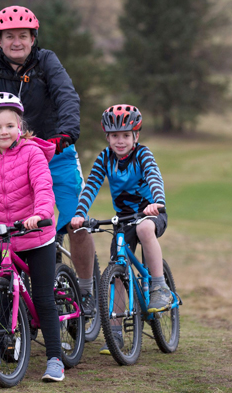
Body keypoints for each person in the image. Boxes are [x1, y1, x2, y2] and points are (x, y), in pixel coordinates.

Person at [0, 5, 96, 312]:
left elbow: (66, 95)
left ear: (33, 38)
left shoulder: (47, 62)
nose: (16, 42)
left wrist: (65, 132)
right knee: (12, 228)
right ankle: (15, 299)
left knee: (76, 223)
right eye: (9, 36)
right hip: (10, 160)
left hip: (56, 152)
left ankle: (86, 289)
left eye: (23, 36)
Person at [0, 92, 65, 383]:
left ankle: (55, 358)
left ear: (20, 126)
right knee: (1, 299)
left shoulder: (32, 153)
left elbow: (43, 186)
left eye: (9, 125)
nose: (3, 132)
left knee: (43, 298)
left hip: (37, 235)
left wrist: (40, 213)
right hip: (6, 238)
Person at [69, 104, 171, 354]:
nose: (120, 141)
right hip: (124, 220)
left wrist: (157, 202)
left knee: (145, 230)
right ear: (107, 137)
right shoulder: (104, 158)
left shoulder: (143, 154)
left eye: (126, 135)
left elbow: (154, 176)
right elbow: (91, 186)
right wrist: (80, 214)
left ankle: (159, 287)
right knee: (117, 272)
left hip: (151, 213)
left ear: (136, 136)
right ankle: (114, 333)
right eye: (115, 135)